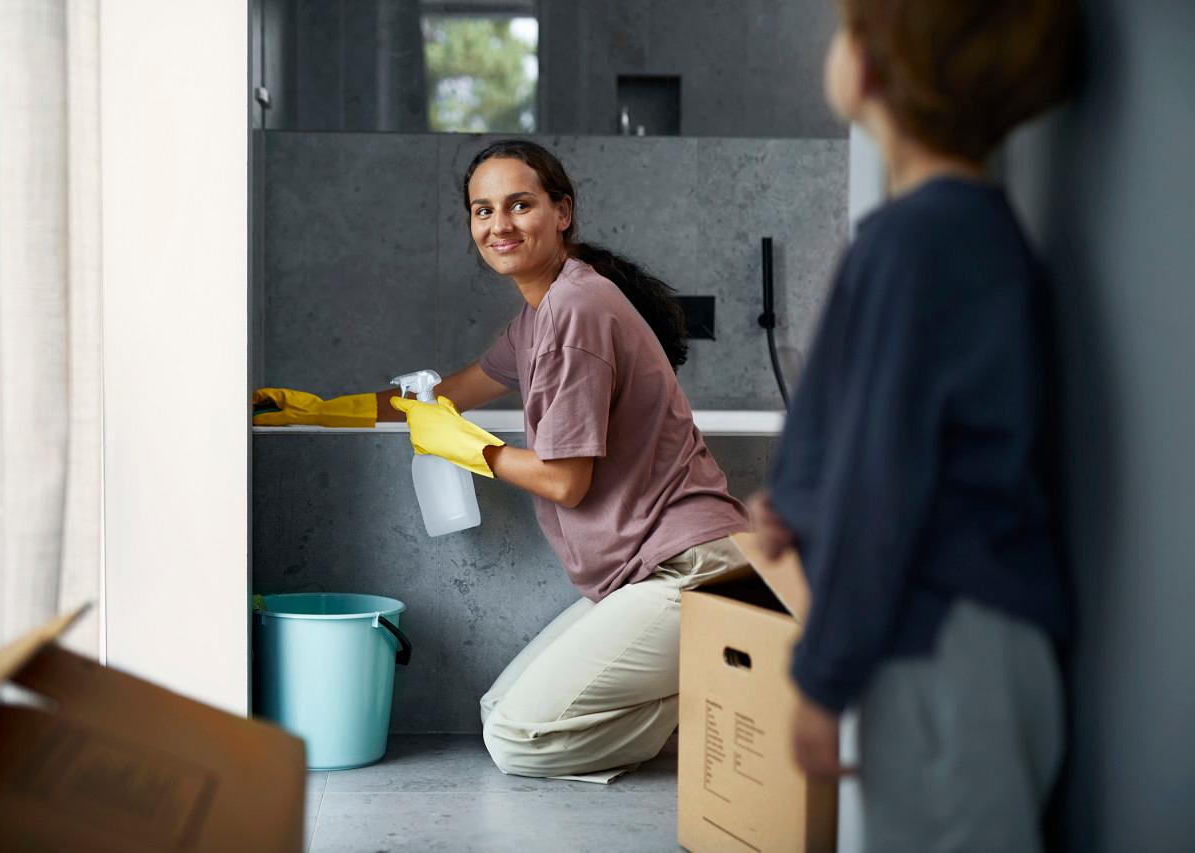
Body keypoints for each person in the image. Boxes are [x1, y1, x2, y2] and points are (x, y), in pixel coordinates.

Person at [255, 139, 751, 778]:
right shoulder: (542, 314)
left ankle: (728, 703)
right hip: (646, 572)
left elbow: (567, 483)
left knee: (520, 739)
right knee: (499, 711)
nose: (499, 225)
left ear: (562, 211)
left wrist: (476, 449)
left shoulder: (575, 309)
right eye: (482, 210)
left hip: (690, 572)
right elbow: (439, 397)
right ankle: (719, 687)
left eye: (520, 205)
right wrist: (323, 410)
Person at [749, 1, 1078, 850]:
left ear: (869, 67)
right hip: (961, 644)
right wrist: (804, 505)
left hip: (941, 648)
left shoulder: (914, 244)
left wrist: (821, 682)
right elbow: (913, 443)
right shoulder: (959, 233)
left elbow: (884, 483)